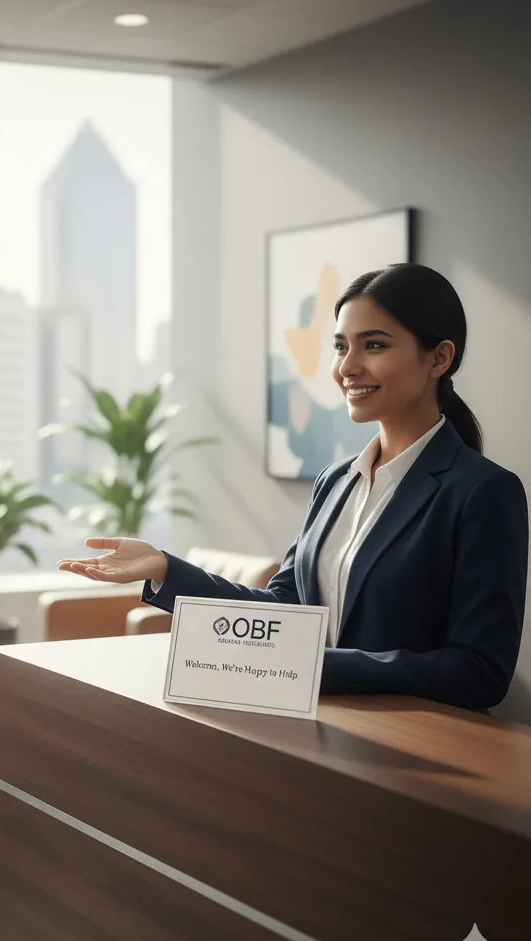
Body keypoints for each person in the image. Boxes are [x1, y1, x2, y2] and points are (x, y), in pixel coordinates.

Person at [58, 263, 528, 713]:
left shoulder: (484, 492)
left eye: (374, 345)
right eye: (341, 347)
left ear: (439, 358)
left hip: (419, 746)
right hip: (323, 731)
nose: (347, 367)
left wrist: (319, 667)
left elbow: (480, 671)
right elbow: (285, 609)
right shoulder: (336, 481)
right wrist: (166, 569)